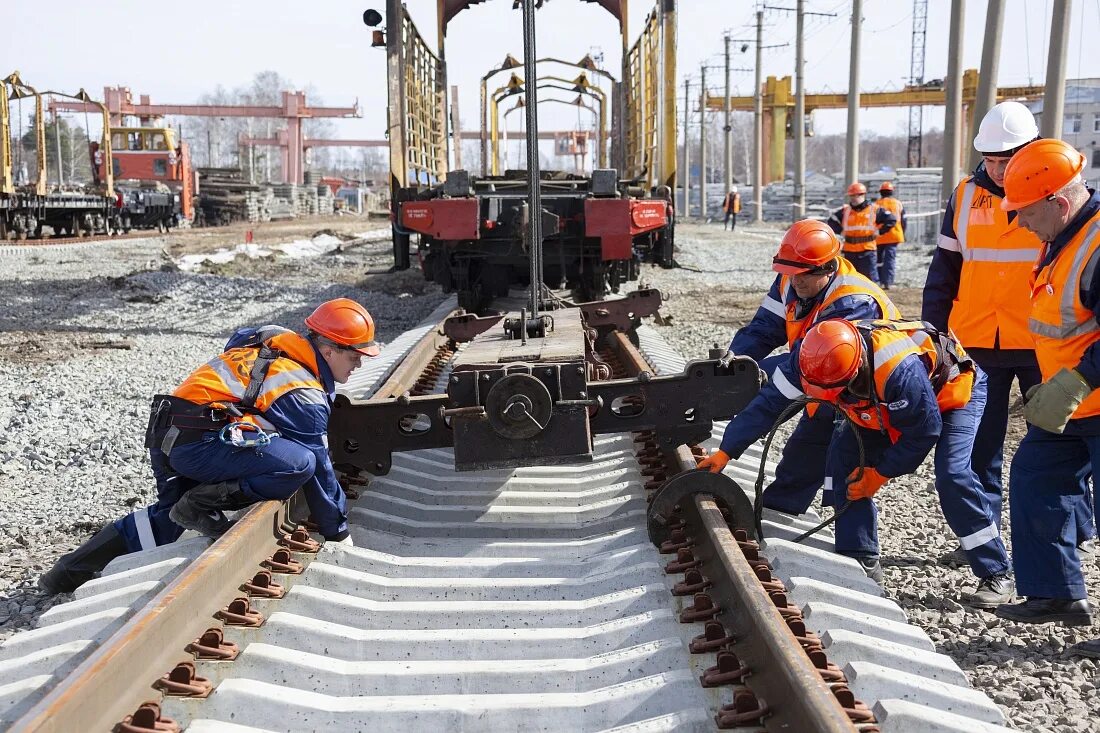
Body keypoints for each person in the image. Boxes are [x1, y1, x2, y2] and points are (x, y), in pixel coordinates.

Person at [39, 298, 381, 594]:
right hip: (199, 444)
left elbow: (240, 338)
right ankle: (201, 502)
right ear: (327, 350)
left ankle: (65, 574)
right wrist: (338, 535)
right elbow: (319, 470)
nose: (359, 364)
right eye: (355, 357)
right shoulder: (302, 392)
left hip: (171, 430)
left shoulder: (275, 342)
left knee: (167, 520)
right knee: (299, 463)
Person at [707, 316, 1012, 604]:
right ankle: (861, 557)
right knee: (846, 460)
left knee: (952, 475)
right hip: (883, 401)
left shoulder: (899, 372)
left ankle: (996, 573)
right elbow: (769, 404)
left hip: (951, 392)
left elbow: (924, 432)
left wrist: (880, 473)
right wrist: (726, 451)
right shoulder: (809, 359)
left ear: (855, 371)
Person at [920, 102, 1097, 570]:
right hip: (977, 340)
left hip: (1043, 341)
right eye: (992, 160)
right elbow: (945, 270)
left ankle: (1075, 534)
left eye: (1008, 158)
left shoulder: (1053, 193)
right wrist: (935, 333)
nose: (998, 169)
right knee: (982, 447)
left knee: (1065, 439)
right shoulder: (964, 196)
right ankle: (983, 536)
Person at [703, 220, 900, 580]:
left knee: (848, 463)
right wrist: (731, 370)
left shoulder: (853, 301)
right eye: (788, 273)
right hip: (824, 383)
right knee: (803, 451)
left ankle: (861, 557)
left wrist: (729, 447)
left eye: (803, 276)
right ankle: (779, 512)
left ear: (827, 268)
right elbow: (764, 330)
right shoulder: (790, 276)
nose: (795, 283)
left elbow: (799, 370)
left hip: (864, 394)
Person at [993, 139, 1100, 651]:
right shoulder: (1065, 235)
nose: (1021, 224)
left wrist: (1075, 381)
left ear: (1058, 203)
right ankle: (1056, 594)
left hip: (1086, 398)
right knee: (1036, 479)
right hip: (1071, 407)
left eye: (1026, 214)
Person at [827, 182, 897, 283]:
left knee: (870, 280)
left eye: (856, 195)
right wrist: (840, 231)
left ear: (863, 195)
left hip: (867, 250)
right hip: (850, 250)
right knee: (850, 280)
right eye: (852, 196)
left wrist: (880, 231)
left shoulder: (874, 209)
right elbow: (831, 220)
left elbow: (891, 220)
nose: (853, 198)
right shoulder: (846, 210)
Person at [874, 181, 906, 289]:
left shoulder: (876, 204)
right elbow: (903, 220)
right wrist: (902, 232)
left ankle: (879, 281)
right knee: (890, 260)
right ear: (891, 192)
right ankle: (888, 282)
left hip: (880, 236)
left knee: (879, 260)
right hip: (894, 235)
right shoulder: (897, 203)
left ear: (881, 192)